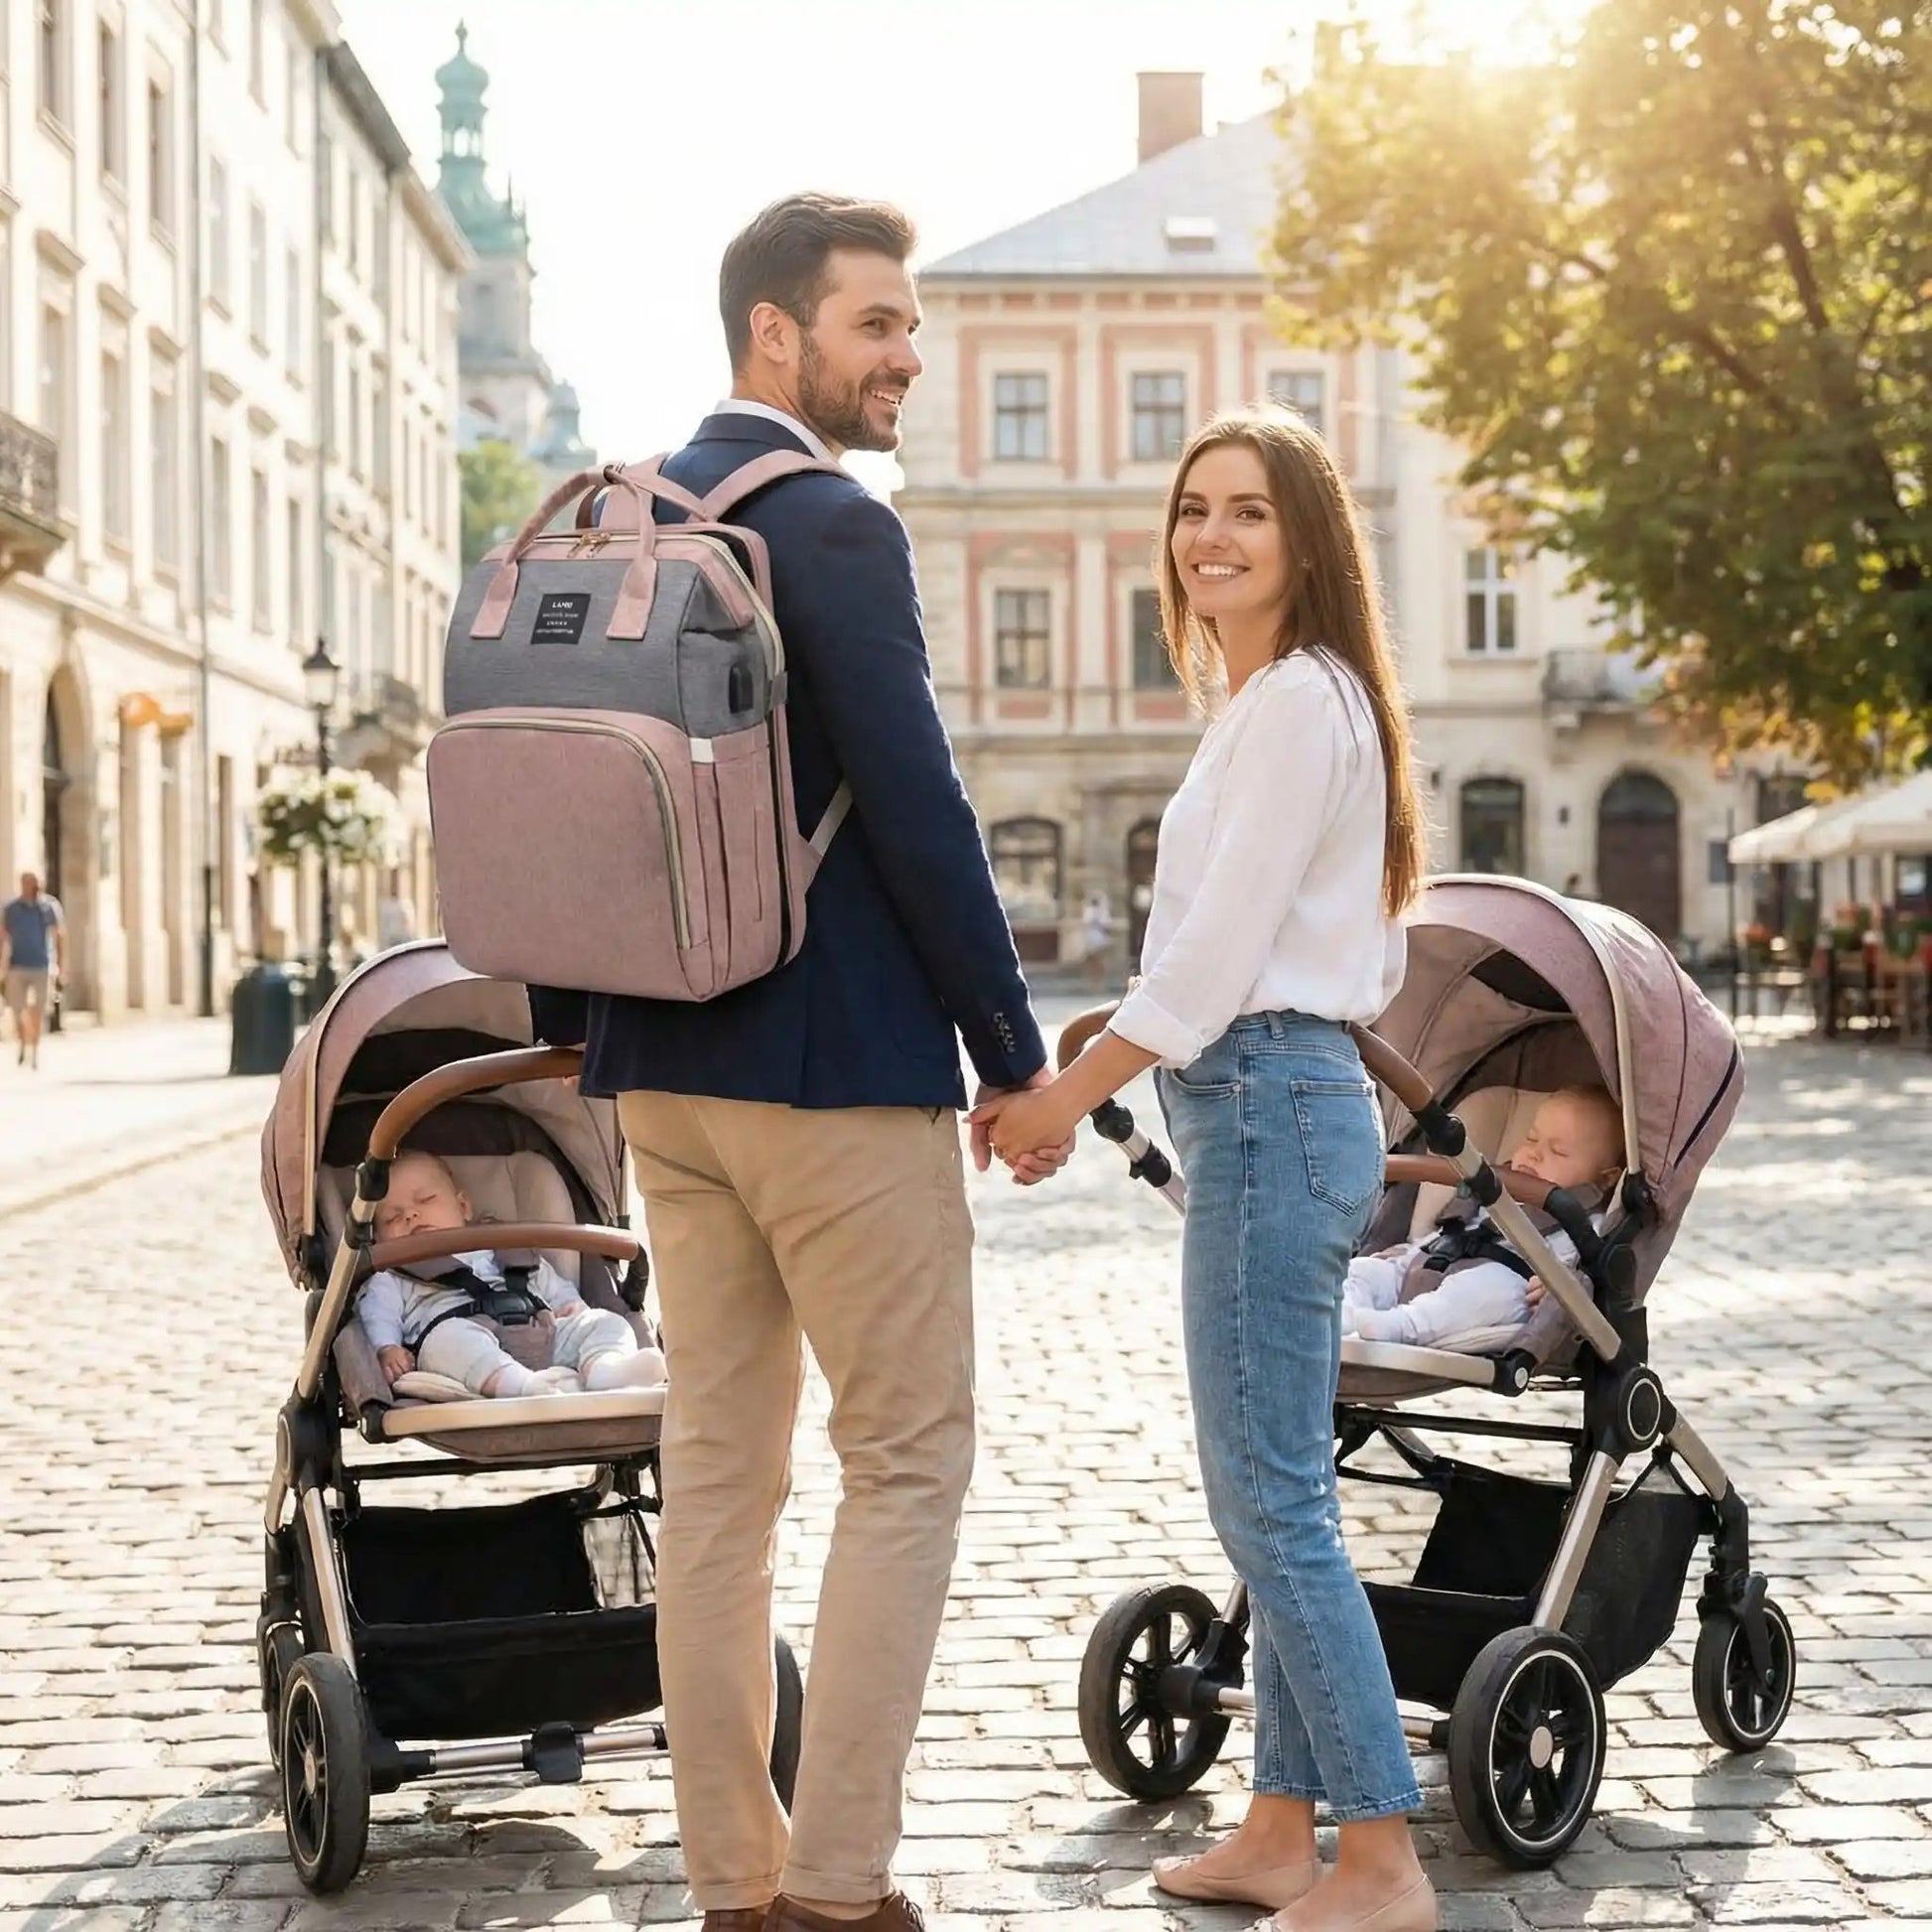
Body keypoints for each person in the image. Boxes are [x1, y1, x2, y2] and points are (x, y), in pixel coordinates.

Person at [526, 193, 1069, 1932]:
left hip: (660, 1071)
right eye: (876, 324)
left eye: (908, 325)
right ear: (778, 332)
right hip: (834, 1075)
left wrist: (579, 1027)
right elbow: (916, 805)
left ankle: (732, 1884)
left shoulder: (618, 513)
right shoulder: (831, 524)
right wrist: (1011, 1051)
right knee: (904, 1462)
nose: (907, 355)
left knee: (719, 1483)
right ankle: (834, 1891)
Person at [978, 406, 1436, 1932]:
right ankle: (1281, 1826)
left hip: (1270, 1104)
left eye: (1247, 510)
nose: (1210, 536)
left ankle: (1380, 1859)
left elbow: (1220, 956)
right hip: (1266, 1099)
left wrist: (1062, 1097)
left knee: (1271, 1502)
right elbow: (1208, 951)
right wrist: (1101, 1062)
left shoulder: (1298, 703)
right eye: (1192, 509)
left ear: (1307, 540)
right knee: (1279, 1489)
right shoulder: (1275, 702)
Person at [355, 1151, 665, 1400]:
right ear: (378, 1240)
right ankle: (522, 1386)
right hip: (465, 1344)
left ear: (463, 1206)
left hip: (539, 1330)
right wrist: (387, 1347)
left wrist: (572, 1308)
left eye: (426, 1200)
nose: (411, 1215)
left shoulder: (507, 1250)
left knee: (604, 1321)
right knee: (446, 1342)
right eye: (393, 1218)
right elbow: (377, 1314)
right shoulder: (392, 1274)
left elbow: (552, 1286)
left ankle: (605, 1369)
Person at [1341, 1085, 1623, 1348]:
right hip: (1432, 1263)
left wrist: (1561, 1287)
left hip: (1501, 1287)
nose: (1534, 1154)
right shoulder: (1492, 1185)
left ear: (1606, 1178)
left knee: (1491, 1289)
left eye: (1558, 1152)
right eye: (1531, 1138)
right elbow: (1459, 1229)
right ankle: (1343, 1316)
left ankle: (1403, 1325)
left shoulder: (1587, 1225)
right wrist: (1409, 1252)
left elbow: (1584, 1276)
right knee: (1362, 1270)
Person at [2, 872, 66, 1070]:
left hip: (42, 965)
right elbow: (3, 936)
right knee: (18, 1010)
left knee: (38, 1009)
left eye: (36, 883)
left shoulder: (49, 907)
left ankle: (35, 1049)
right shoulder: (11, 909)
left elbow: (59, 936)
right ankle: (23, 1041)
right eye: (29, 883)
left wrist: (60, 965)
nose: (33, 886)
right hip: (17, 965)